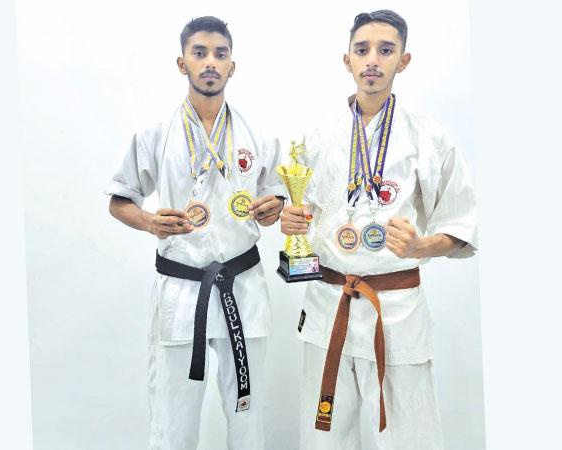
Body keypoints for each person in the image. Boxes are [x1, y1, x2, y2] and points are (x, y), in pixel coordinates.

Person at [280, 10, 478, 450]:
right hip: (329, 303)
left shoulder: (429, 138)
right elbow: (298, 210)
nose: (373, 60)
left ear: (403, 61)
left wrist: (421, 244)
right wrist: (289, 219)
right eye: (362, 50)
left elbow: (461, 221)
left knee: (409, 437)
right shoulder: (315, 137)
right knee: (323, 437)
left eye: (385, 50)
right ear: (346, 60)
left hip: (395, 310)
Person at [105, 16, 285, 450]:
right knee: (174, 420)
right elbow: (118, 200)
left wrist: (272, 209)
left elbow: (277, 196)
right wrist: (149, 221)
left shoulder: (256, 135)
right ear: (182, 63)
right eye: (200, 53)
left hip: (241, 289)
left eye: (220, 54)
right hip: (182, 292)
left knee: (248, 415)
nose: (210, 63)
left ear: (232, 66)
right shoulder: (154, 136)